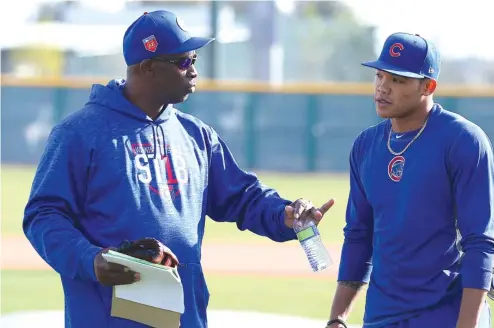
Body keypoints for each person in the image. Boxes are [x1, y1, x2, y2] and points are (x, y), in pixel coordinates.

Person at [22, 10, 334, 328]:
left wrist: (284, 213)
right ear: (147, 68)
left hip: (185, 318)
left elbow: (243, 198)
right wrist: (91, 260)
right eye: (183, 62)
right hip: (107, 319)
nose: (193, 70)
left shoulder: (196, 135)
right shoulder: (79, 133)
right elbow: (43, 216)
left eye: (195, 59)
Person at [325, 32, 494, 328]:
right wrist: (337, 319)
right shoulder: (365, 146)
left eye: (398, 80)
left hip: (445, 314)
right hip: (382, 315)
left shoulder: (464, 140)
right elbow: (358, 234)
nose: (383, 88)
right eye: (380, 76)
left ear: (428, 86)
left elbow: (480, 242)